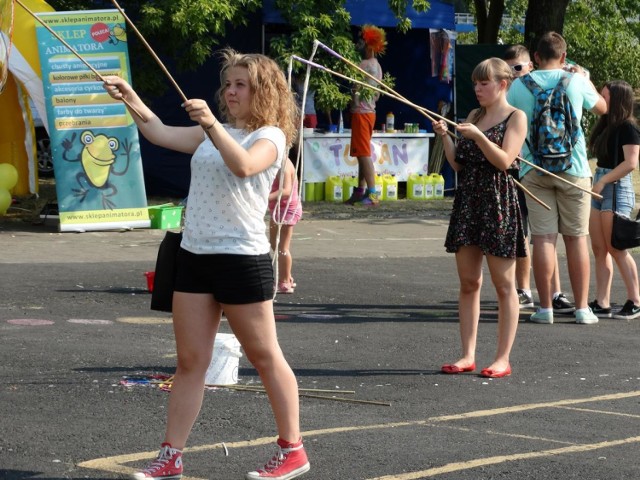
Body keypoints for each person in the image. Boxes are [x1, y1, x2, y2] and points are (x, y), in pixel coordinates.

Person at [103, 49, 310, 480]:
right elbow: (158, 133)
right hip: (194, 255)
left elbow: (244, 166)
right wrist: (130, 97)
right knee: (190, 362)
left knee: (265, 356)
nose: (229, 92)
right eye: (228, 84)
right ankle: (170, 455)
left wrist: (212, 125)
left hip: (242, 259)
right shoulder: (216, 132)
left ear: (263, 91)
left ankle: (293, 450)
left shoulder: (269, 136)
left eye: (240, 85)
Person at [433, 58, 528, 378]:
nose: (477, 89)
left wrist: (479, 137)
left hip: (498, 202)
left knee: (504, 285)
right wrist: (446, 137)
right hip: (469, 201)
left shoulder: (517, 117)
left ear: (502, 84)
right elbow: (458, 165)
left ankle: (503, 357)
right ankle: (467, 354)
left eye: (483, 83)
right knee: (469, 282)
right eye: (475, 83)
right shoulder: (475, 116)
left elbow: (503, 161)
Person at [507, 32, 607, 325]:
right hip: (573, 169)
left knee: (543, 239)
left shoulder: (519, 85)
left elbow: (505, 115)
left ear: (535, 57)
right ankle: (581, 309)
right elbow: (603, 107)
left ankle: (545, 309)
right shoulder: (575, 81)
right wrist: (582, 76)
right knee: (576, 240)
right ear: (563, 57)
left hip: (533, 170)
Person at [503, 44, 575, 314]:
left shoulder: (530, 89)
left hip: (537, 169)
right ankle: (524, 289)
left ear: (530, 65)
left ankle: (555, 292)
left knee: (546, 235)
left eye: (518, 68)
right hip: (516, 171)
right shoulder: (510, 93)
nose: (514, 74)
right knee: (521, 233)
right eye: (508, 70)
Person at [588, 80, 640, 319]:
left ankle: (635, 300)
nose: (601, 100)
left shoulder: (628, 127)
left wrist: (603, 180)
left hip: (616, 187)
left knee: (616, 247)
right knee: (599, 249)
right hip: (602, 183)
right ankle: (602, 301)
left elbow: (631, 163)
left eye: (605, 97)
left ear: (617, 99)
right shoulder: (606, 125)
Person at [344, 24, 386, 207]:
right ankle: (360, 190)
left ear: (369, 45)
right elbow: (377, 94)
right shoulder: (378, 66)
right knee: (361, 153)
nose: (358, 45)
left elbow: (352, 82)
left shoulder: (364, 65)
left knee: (364, 154)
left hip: (362, 113)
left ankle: (373, 195)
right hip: (369, 113)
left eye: (362, 41)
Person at [269, 157, 303, 294]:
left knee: (282, 247)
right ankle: (286, 275)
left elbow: (286, 190)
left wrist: (265, 197)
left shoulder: (283, 164)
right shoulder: (278, 161)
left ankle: (284, 281)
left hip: (286, 209)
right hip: (278, 209)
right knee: (274, 244)